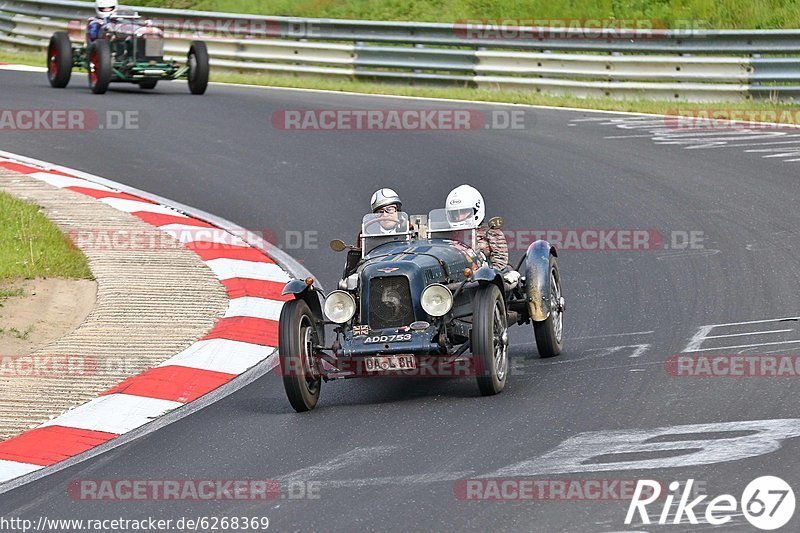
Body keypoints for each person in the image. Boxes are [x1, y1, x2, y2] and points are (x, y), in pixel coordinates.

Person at [445, 184, 509, 271]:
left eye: (463, 212)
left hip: (484, 277)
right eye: (455, 214)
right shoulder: (447, 235)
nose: (459, 217)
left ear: (476, 210)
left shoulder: (491, 232)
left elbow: (500, 262)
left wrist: (486, 272)